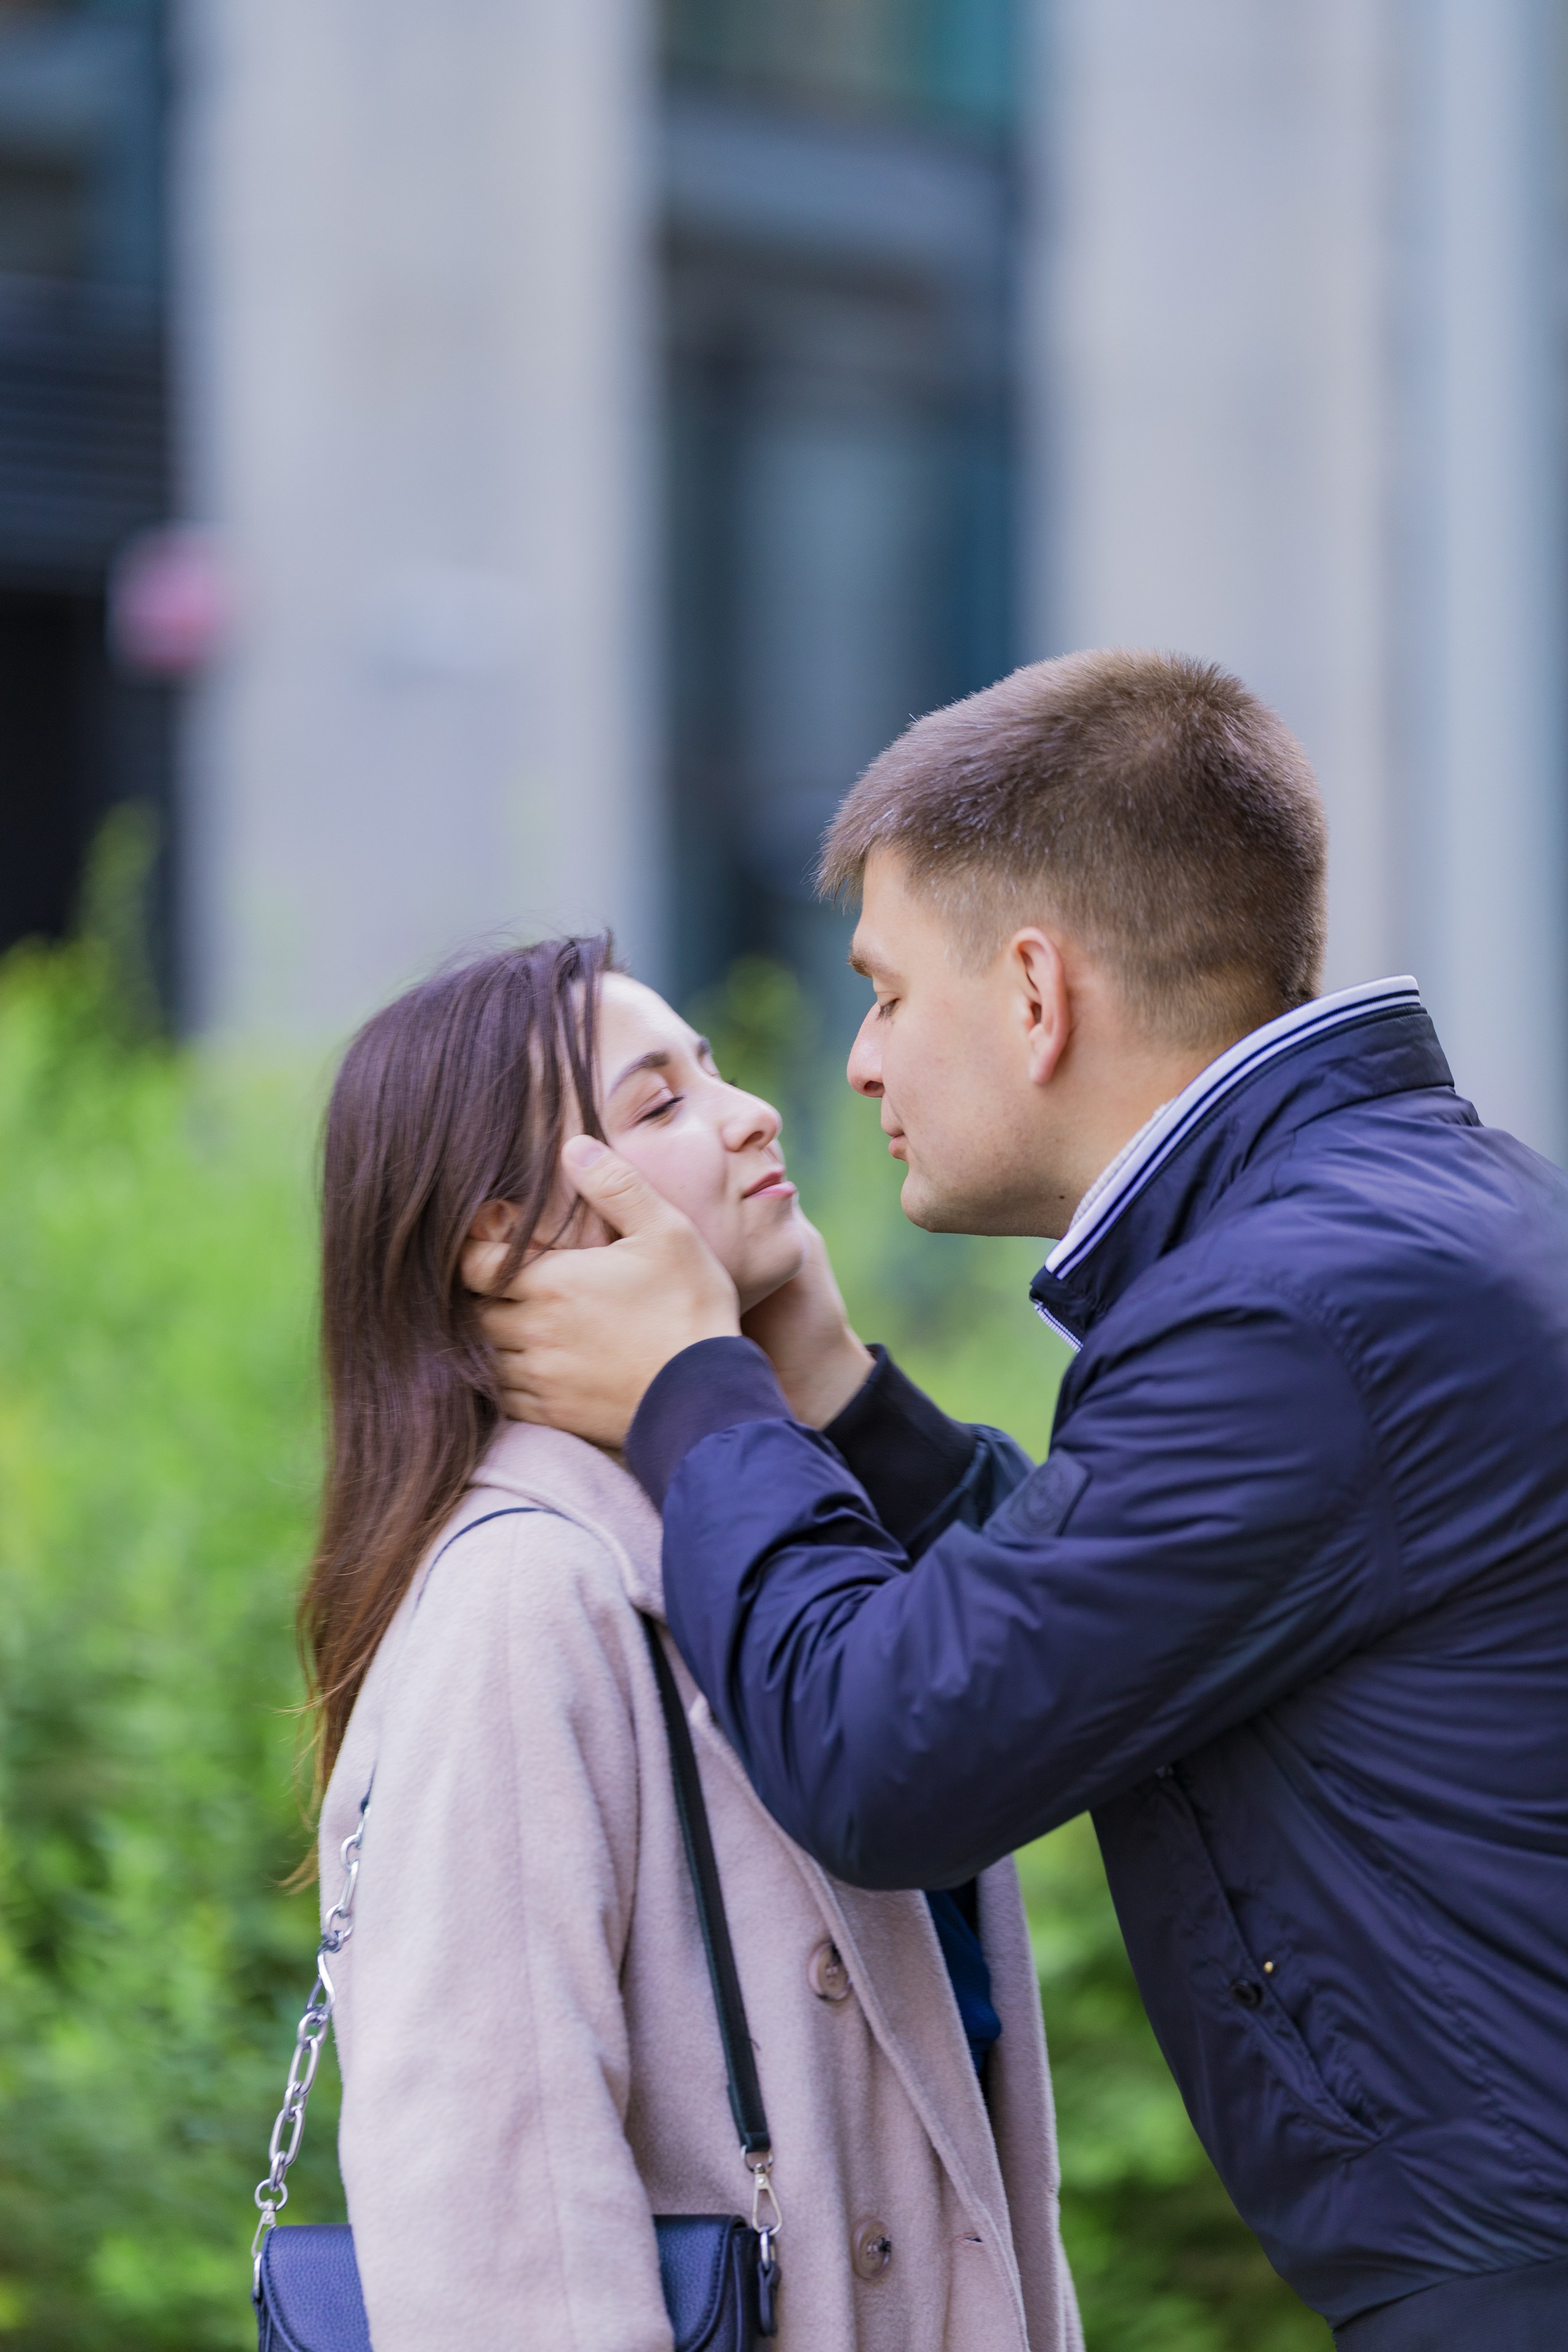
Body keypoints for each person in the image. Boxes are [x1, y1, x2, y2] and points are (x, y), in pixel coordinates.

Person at [472, 652, 1568, 2352]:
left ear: (1037, 994)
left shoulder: (1292, 1309)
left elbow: (886, 1754)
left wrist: (695, 1390)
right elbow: (1109, 1597)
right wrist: (829, 1390)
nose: (848, 1067)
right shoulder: (1380, 1224)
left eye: (888, 993)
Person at [305, 937, 1079, 2352]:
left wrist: (798, 1370)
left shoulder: (751, 1528)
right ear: (502, 1243)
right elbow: (496, 2247)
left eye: (717, 1073)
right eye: (657, 1104)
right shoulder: (527, 1595)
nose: (751, 1113)